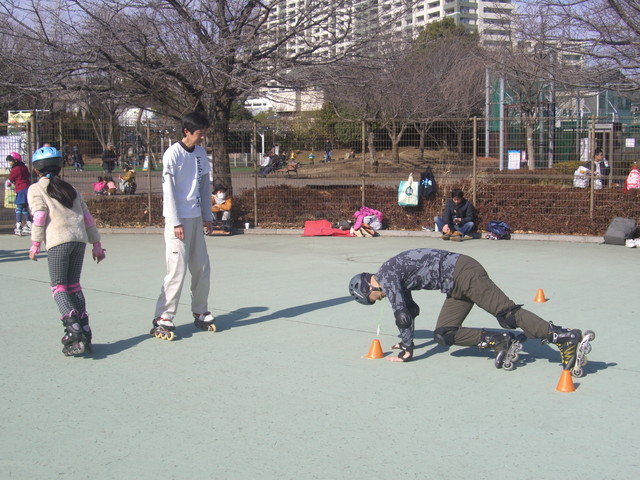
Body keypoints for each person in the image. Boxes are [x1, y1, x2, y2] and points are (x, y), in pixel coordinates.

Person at [348, 248, 593, 374]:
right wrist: (405, 341)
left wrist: (407, 351)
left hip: (462, 272)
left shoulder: (386, 276)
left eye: (372, 299)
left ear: (368, 287)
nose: (378, 300)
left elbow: (402, 315)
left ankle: (561, 336)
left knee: (507, 313)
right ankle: (500, 340)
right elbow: (410, 310)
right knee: (444, 333)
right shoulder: (391, 275)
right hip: (454, 285)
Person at [27, 146, 106, 356]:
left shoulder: (36, 189)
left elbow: (40, 216)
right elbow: (87, 218)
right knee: (74, 286)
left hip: (58, 241)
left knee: (59, 287)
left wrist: (35, 244)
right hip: (79, 241)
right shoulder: (71, 188)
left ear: (36, 169)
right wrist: (96, 245)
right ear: (60, 167)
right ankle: (85, 328)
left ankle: (73, 329)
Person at [152, 111, 216, 340]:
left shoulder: (201, 153)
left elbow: (204, 186)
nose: (203, 137)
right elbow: (168, 190)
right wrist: (175, 221)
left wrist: (207, 216)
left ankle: (200, 310)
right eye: (199, 133)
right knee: (177, 270)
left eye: (205, 133)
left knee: (202, 267)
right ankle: (163, 316)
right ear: (186, 132)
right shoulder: (173, 154)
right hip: (177, 221)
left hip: (196, 218)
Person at [6, 152, 32, 236]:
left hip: (21, 190)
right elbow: (28, 176)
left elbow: (10, 180)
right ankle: (29, 223)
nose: (9, 163)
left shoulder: (15, 169)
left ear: (16, 161)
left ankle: (18, 225)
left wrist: (8, 184)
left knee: (18, 208)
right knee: (24, 208)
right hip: (27, 189)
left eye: (10, 161)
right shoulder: (24, 167)